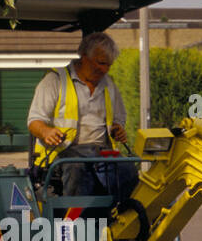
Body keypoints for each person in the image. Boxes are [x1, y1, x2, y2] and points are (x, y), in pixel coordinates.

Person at [27, 32, 132, 197]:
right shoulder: (55, 80)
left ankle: (122, 211)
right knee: (78, 168)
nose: (104, 70)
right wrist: (46, 131)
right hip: (63, 153)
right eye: (100, 63)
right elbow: (34, 121)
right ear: (84, 57)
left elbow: (119, 117)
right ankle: (75, 212)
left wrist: (118, 128)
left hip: (100, 153)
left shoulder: (109, 84)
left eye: (108, 65)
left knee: (127, 170)